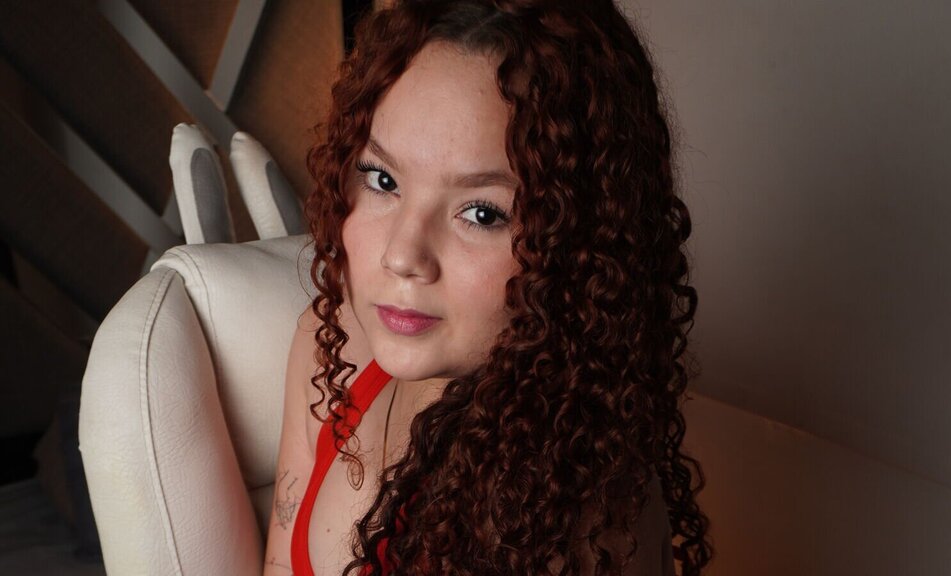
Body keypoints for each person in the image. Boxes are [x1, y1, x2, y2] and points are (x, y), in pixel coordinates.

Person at [263, 0, 711, 574]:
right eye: (383, 179)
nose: (402, 255)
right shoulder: (331, 351)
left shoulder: (575, 519)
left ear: (577, 246)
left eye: (481, 213)